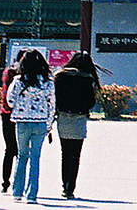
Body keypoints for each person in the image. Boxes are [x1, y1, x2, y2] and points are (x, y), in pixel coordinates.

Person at [7, 50, 54, 204]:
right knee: (35, 158)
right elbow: (52, 104)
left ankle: (17, 192)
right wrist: (48, 124)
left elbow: (10, 101)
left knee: (22, 156)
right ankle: (32, 194)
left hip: (21, 122)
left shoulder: (18, 80)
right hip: (40, 122)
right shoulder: (48, 82)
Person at [54, 53, 100, 199]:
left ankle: (64, 184)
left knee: (65, 153)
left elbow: (55, 96)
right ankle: (70, 187)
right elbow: (91, 102)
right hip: (79, 118)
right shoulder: (87, 79)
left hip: (63, 117)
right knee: (75, 155)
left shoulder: (60, 76)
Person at [0, 51, 24, 193]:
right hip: (19, 114)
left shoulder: (8, 70)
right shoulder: (18, 74)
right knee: (21, 151)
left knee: (9, 149)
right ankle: (17, 182)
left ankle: (5, 182)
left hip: (6, 113)